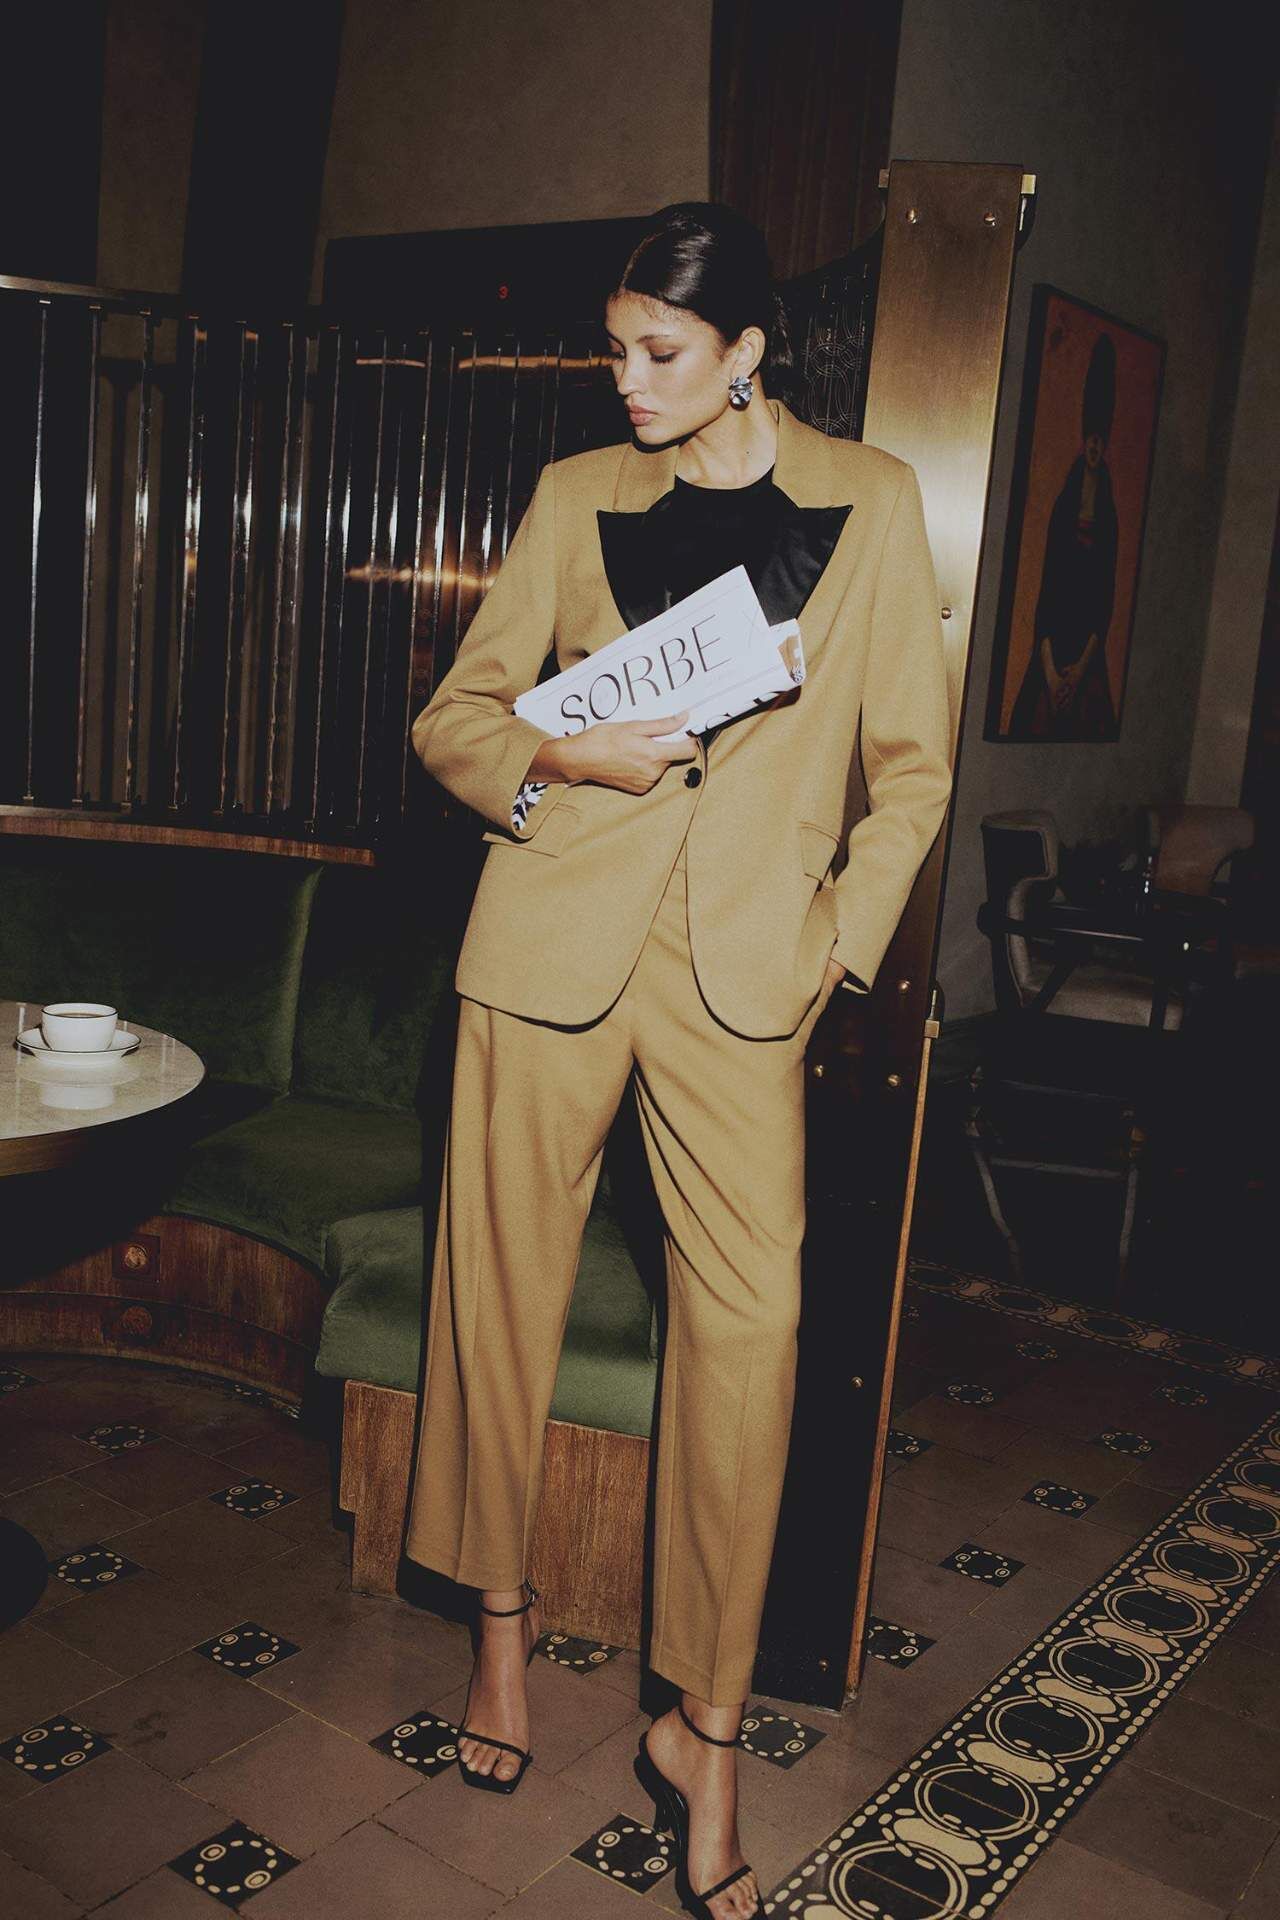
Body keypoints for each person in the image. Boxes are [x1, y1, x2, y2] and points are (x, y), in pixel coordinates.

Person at [403, 201, 952, 1920]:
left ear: (747, 354)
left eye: (661, 352)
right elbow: (457, 716)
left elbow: (913, 771)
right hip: (546, 945)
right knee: (497, 1294)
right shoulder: (576, 495)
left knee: (752, 1338)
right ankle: (501, 1634)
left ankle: (702, 1731)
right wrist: (569, 764)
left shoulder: (875, 503)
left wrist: (835, 944)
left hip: (745, 979)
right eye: (617, 348)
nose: (627, 380)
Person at [1009, 332, 1120, 739]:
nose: (1094, 446)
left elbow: (1104, 603)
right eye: (1091, 438)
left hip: (1087, 656)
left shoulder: (1108, 517)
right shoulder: (1064, 506)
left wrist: (1080, 670)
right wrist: (1052, 674)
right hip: (1051, 650)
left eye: (1100, 441)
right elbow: (1048, 595)